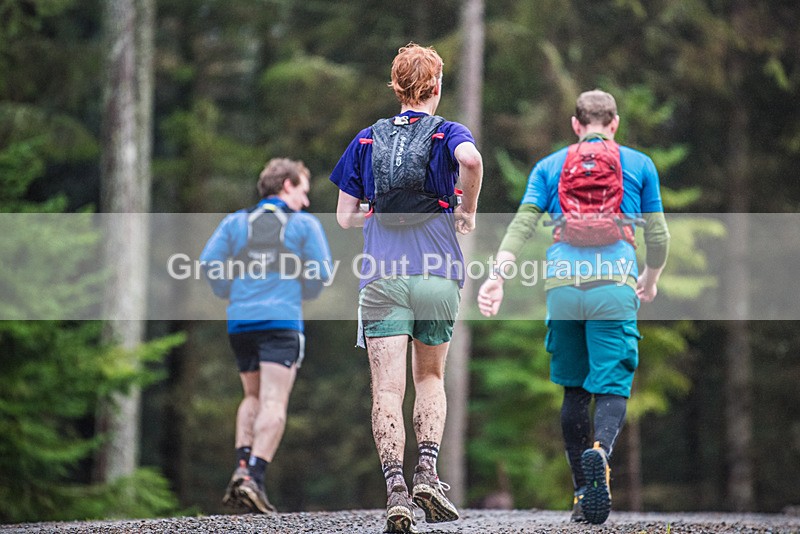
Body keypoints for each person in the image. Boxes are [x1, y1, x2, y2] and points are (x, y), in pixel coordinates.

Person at [477, 90, 670, 525]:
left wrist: (496, 277)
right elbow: (659, 236)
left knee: (573, 390)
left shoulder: (549, 167)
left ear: (576, 125)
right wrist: (651, 279)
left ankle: (583, 494)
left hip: (563, 287)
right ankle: (600, 452)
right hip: (615, 286)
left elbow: (522, 224)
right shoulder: (638, 164)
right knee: (612, 385)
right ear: (614, 123)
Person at [330, 43, 483, 533]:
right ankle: (428, 473)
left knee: (387, 387)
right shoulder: (448, 132)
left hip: (381, 277)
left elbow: (344, 217)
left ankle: (396, 489)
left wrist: (376, 215)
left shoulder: (367, 140)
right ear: (436, 87)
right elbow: (473, 162)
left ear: (396, 87)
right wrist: (466, 211)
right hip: (438, 275)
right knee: (430, 379)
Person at [200, 158, 332, 514]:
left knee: (251, 396)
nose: (306, 201)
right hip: (281, 321)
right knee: (274, 401)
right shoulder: (303, 224)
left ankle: (241, 467)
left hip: (240, 322)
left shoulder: (235, 222)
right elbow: (323, 273)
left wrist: (230, 290)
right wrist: (304, 292)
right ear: (286, 185)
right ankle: (253, 477)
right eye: (303, 191)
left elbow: (208, 263)